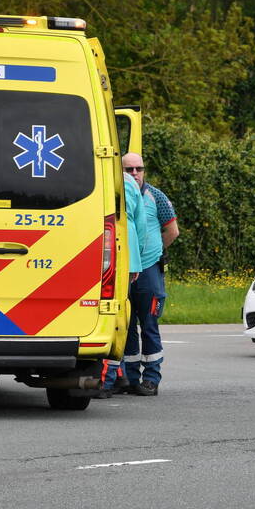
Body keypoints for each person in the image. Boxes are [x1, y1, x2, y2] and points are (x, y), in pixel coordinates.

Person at [118, 152, 179, 396]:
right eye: (129, 169)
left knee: (149, 324)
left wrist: (154, 251)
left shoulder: (156, 197)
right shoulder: (118, 195)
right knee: (126, 325)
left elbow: (172, 231)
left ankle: (151, 378)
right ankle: (131, 378)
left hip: (149, 270)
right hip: (124, 270)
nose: (135, 173)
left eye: (139, 168)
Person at [99, 169, 148, 398]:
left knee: (111, 319)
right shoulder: (130, 184)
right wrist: (136, 258)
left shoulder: (101, 176)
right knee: (121, 317)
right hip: (127, 258)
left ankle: (109, 378)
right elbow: (141, 226)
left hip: (102, 256)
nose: (134, 172)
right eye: (130, 168)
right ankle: (119, 374)